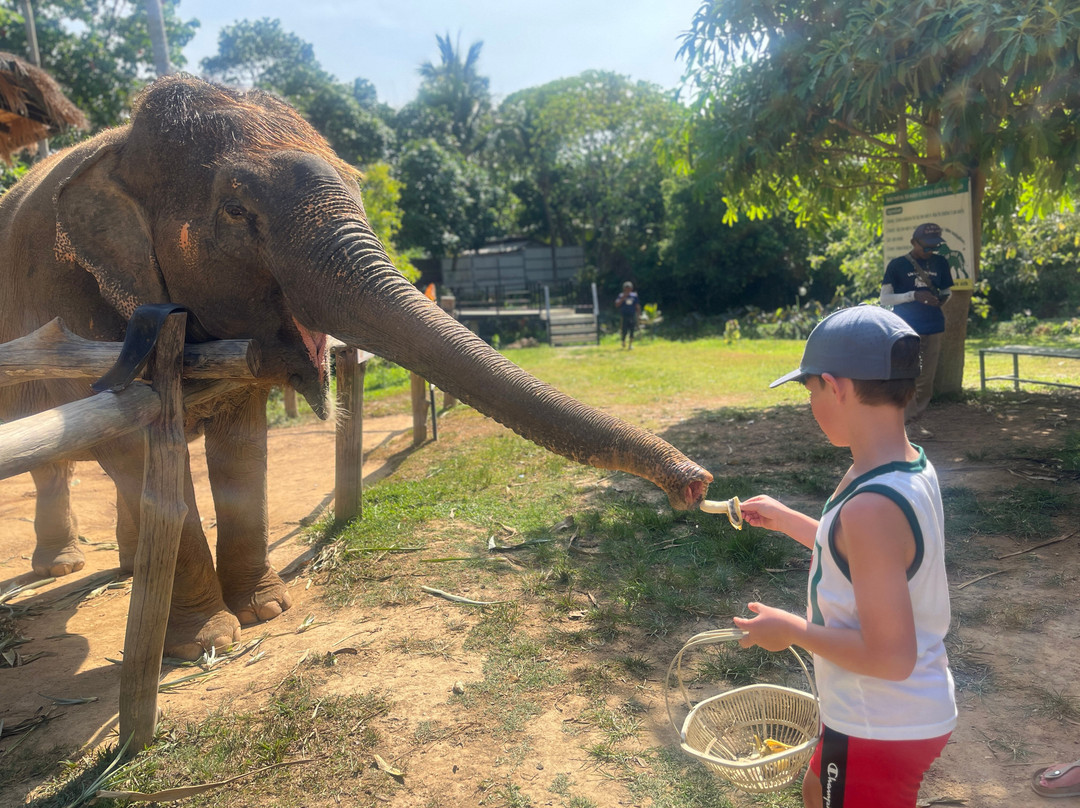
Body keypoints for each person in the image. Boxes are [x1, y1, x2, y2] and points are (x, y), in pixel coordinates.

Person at [733, 306, 957, 808]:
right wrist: (790, 520)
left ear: (835, 387)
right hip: (891, 713)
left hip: (880, 722)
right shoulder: (900, 466)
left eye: (809, 390)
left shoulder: (870, 508)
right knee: (817, 787)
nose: (811, 402)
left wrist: (790, 630)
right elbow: (868, 561)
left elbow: (890, 657)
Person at [881, 223, 954, 422]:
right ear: (914, 242)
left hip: (934, 326)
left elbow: (948, 291)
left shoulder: (940, 263)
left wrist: (943, 299)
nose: (930, 251)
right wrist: (913, 295)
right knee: (907, 375)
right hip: (906, 328)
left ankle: (916, 419)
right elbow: (885, 299)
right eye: (926, 247)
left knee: (926, 378)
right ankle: (904, 421)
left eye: (934, 247)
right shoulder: (897, 265)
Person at [614, 281, 641, 349]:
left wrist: (638, 314)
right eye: (626, 288)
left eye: (629, 288)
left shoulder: (634, 296)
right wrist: (623, 298)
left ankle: (630, 344)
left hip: (632, 315)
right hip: (624, 315)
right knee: (624, 330)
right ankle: (623, 341)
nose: (628, 290)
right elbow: (617, 304)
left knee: (632, 330)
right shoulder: (621, 295)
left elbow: (637, 305)